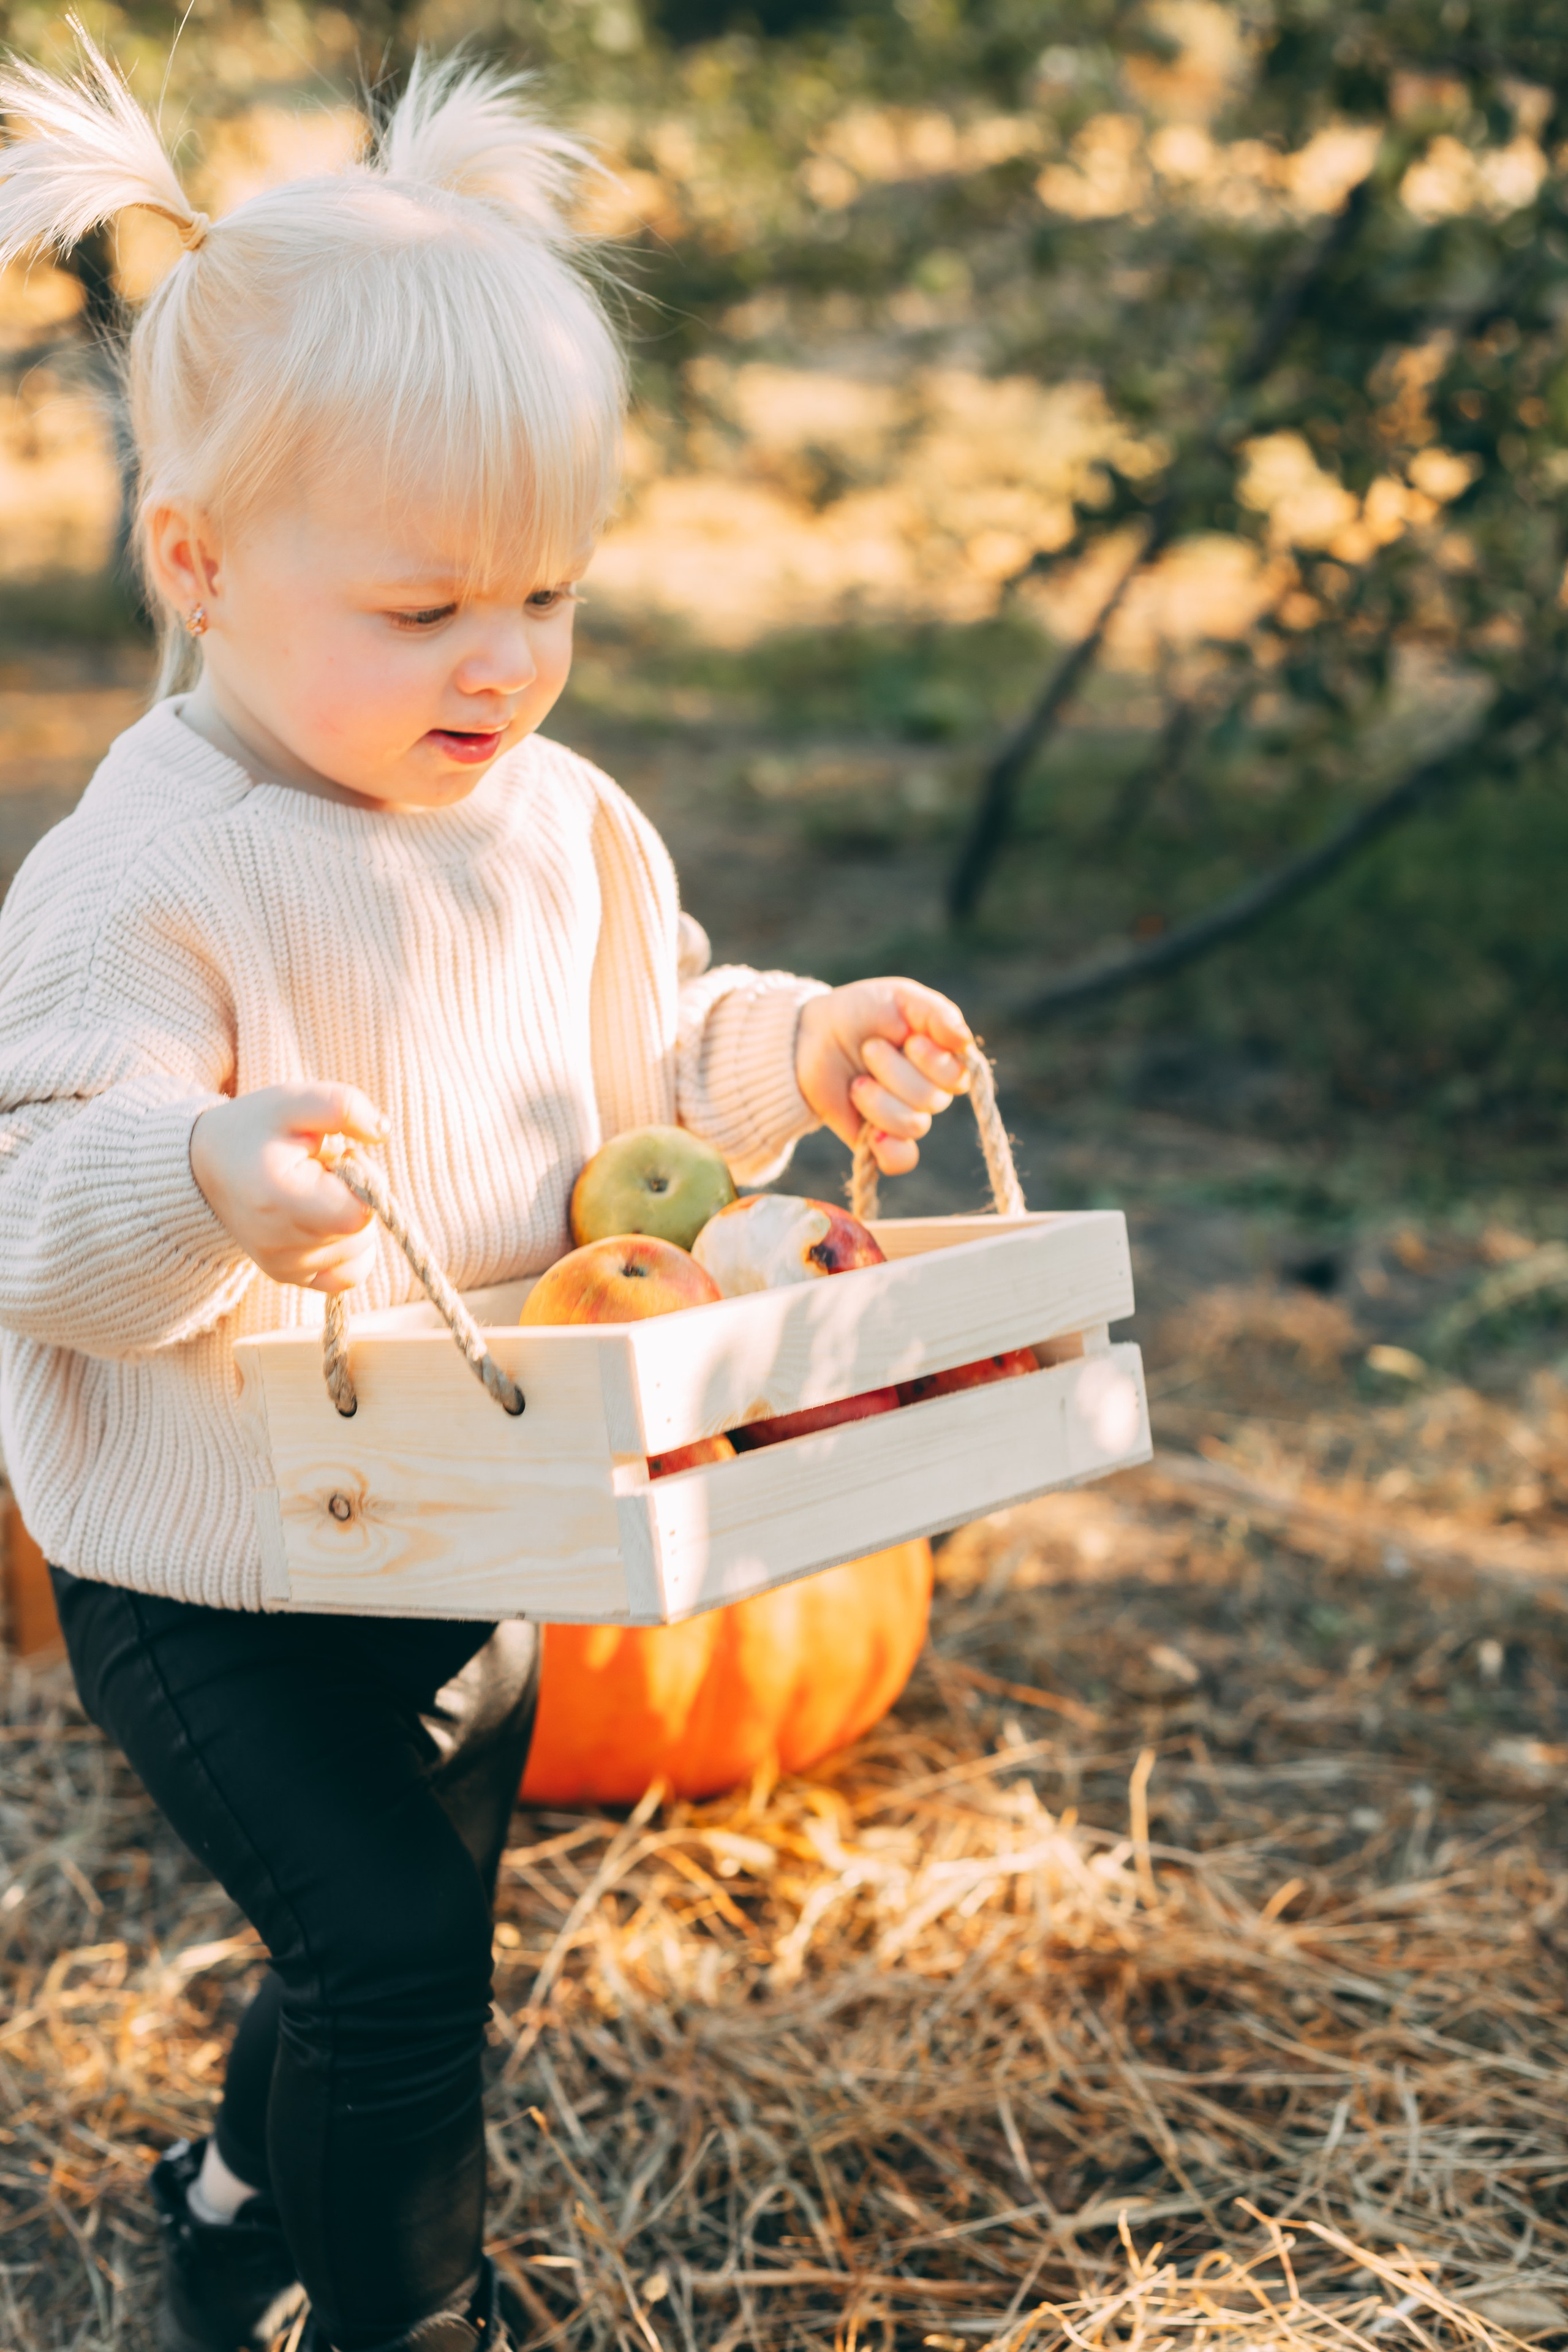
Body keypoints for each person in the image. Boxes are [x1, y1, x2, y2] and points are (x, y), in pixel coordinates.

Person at [0, 31, 978, 2352]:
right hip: (213, 1556)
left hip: (477, 1513)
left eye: (548, 595)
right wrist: (205, 1174)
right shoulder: (145, 876)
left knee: (386, 1942)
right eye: (427, 606)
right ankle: (403, 2321)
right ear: (200, 567)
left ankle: (233, 2205)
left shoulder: (558, 823)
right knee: (398, 1950)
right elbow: (33, 1199)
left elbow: (645, 1068)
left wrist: (796, 1046)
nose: (506, 661)